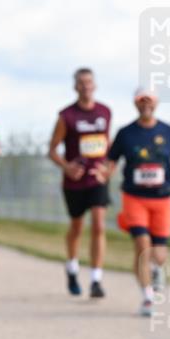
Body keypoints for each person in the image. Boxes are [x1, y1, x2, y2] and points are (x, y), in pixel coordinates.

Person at [97, 87, 170, 317]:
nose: (145, 104)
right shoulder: (125, 133)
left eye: (150, 100)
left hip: (162, 198)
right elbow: (111, 161)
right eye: (141, 101)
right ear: (135, 103)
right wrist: (105, 173)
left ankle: (157, 270)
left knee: (159, 254)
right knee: (142, 246)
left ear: (156, 103)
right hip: (134, 197)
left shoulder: (168, 131)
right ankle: (147, 297)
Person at [48, 67, 112, 298]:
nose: (86, 86)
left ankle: (96, 279)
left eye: (89, 82)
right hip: (74, 182)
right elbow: (52, 150)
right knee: (77, 227)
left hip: (97, 178)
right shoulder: (66, 116)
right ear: (75, 87)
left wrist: (108, 168)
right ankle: (72, 267)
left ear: (95, 85)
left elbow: (107, 143)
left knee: (99, 225)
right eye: (81, 83)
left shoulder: (105, 112)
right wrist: (67, 167)